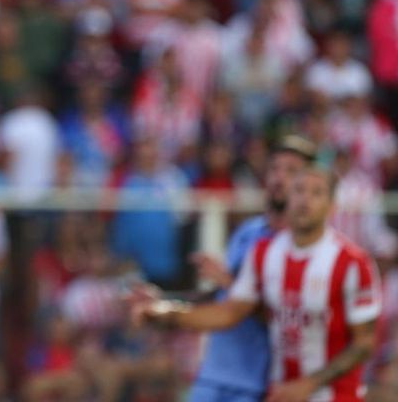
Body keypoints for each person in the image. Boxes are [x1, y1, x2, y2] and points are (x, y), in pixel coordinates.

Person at [133, 164, 381, 402]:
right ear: (288, 198)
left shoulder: (353, 263)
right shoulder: (264, 252)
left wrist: (309, 384)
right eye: (299, 190)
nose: (305, 200)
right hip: (280, 393)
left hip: (335, 396)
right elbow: (229, 312)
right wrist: (164, 313)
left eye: (316, 193)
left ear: (332, 206)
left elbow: (364, 344)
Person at [187, 136, 317, 402]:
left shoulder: (306, 248)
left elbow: (286, 317)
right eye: (275, 169)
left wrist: (228, 283)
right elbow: (220, 296)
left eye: (291, 171)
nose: (279, 178)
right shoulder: (249, 231)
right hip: (212, 376)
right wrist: (162, 306)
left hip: (255, 385)